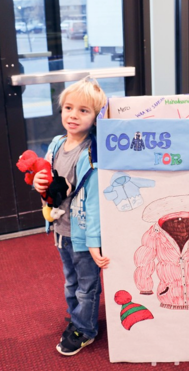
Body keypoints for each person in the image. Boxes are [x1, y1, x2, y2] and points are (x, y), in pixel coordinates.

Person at [33, 77, 110, 355]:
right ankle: (77, 314)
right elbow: (46, 177)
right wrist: (38, 183)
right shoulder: (56, 143)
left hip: (82, 231)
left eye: (83, 110)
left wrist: (94, 241)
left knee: (87, 284)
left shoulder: (92, 153)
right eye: (68, 108)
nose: (73, 115)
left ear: (96, 116)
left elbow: (94, 203)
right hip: (61, 229)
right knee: (71, 280)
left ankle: (84, 328)